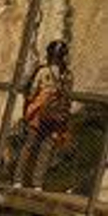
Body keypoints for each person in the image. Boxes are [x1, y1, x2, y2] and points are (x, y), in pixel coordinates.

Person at [14, 39, 74, 188]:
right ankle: (37, 183)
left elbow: (31, 92)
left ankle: (18, 180)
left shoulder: (42, 71)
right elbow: (69, 97)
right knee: (46, 149)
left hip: (38, 114)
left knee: (29, 145)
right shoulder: (68, 75)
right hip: (57, 116)